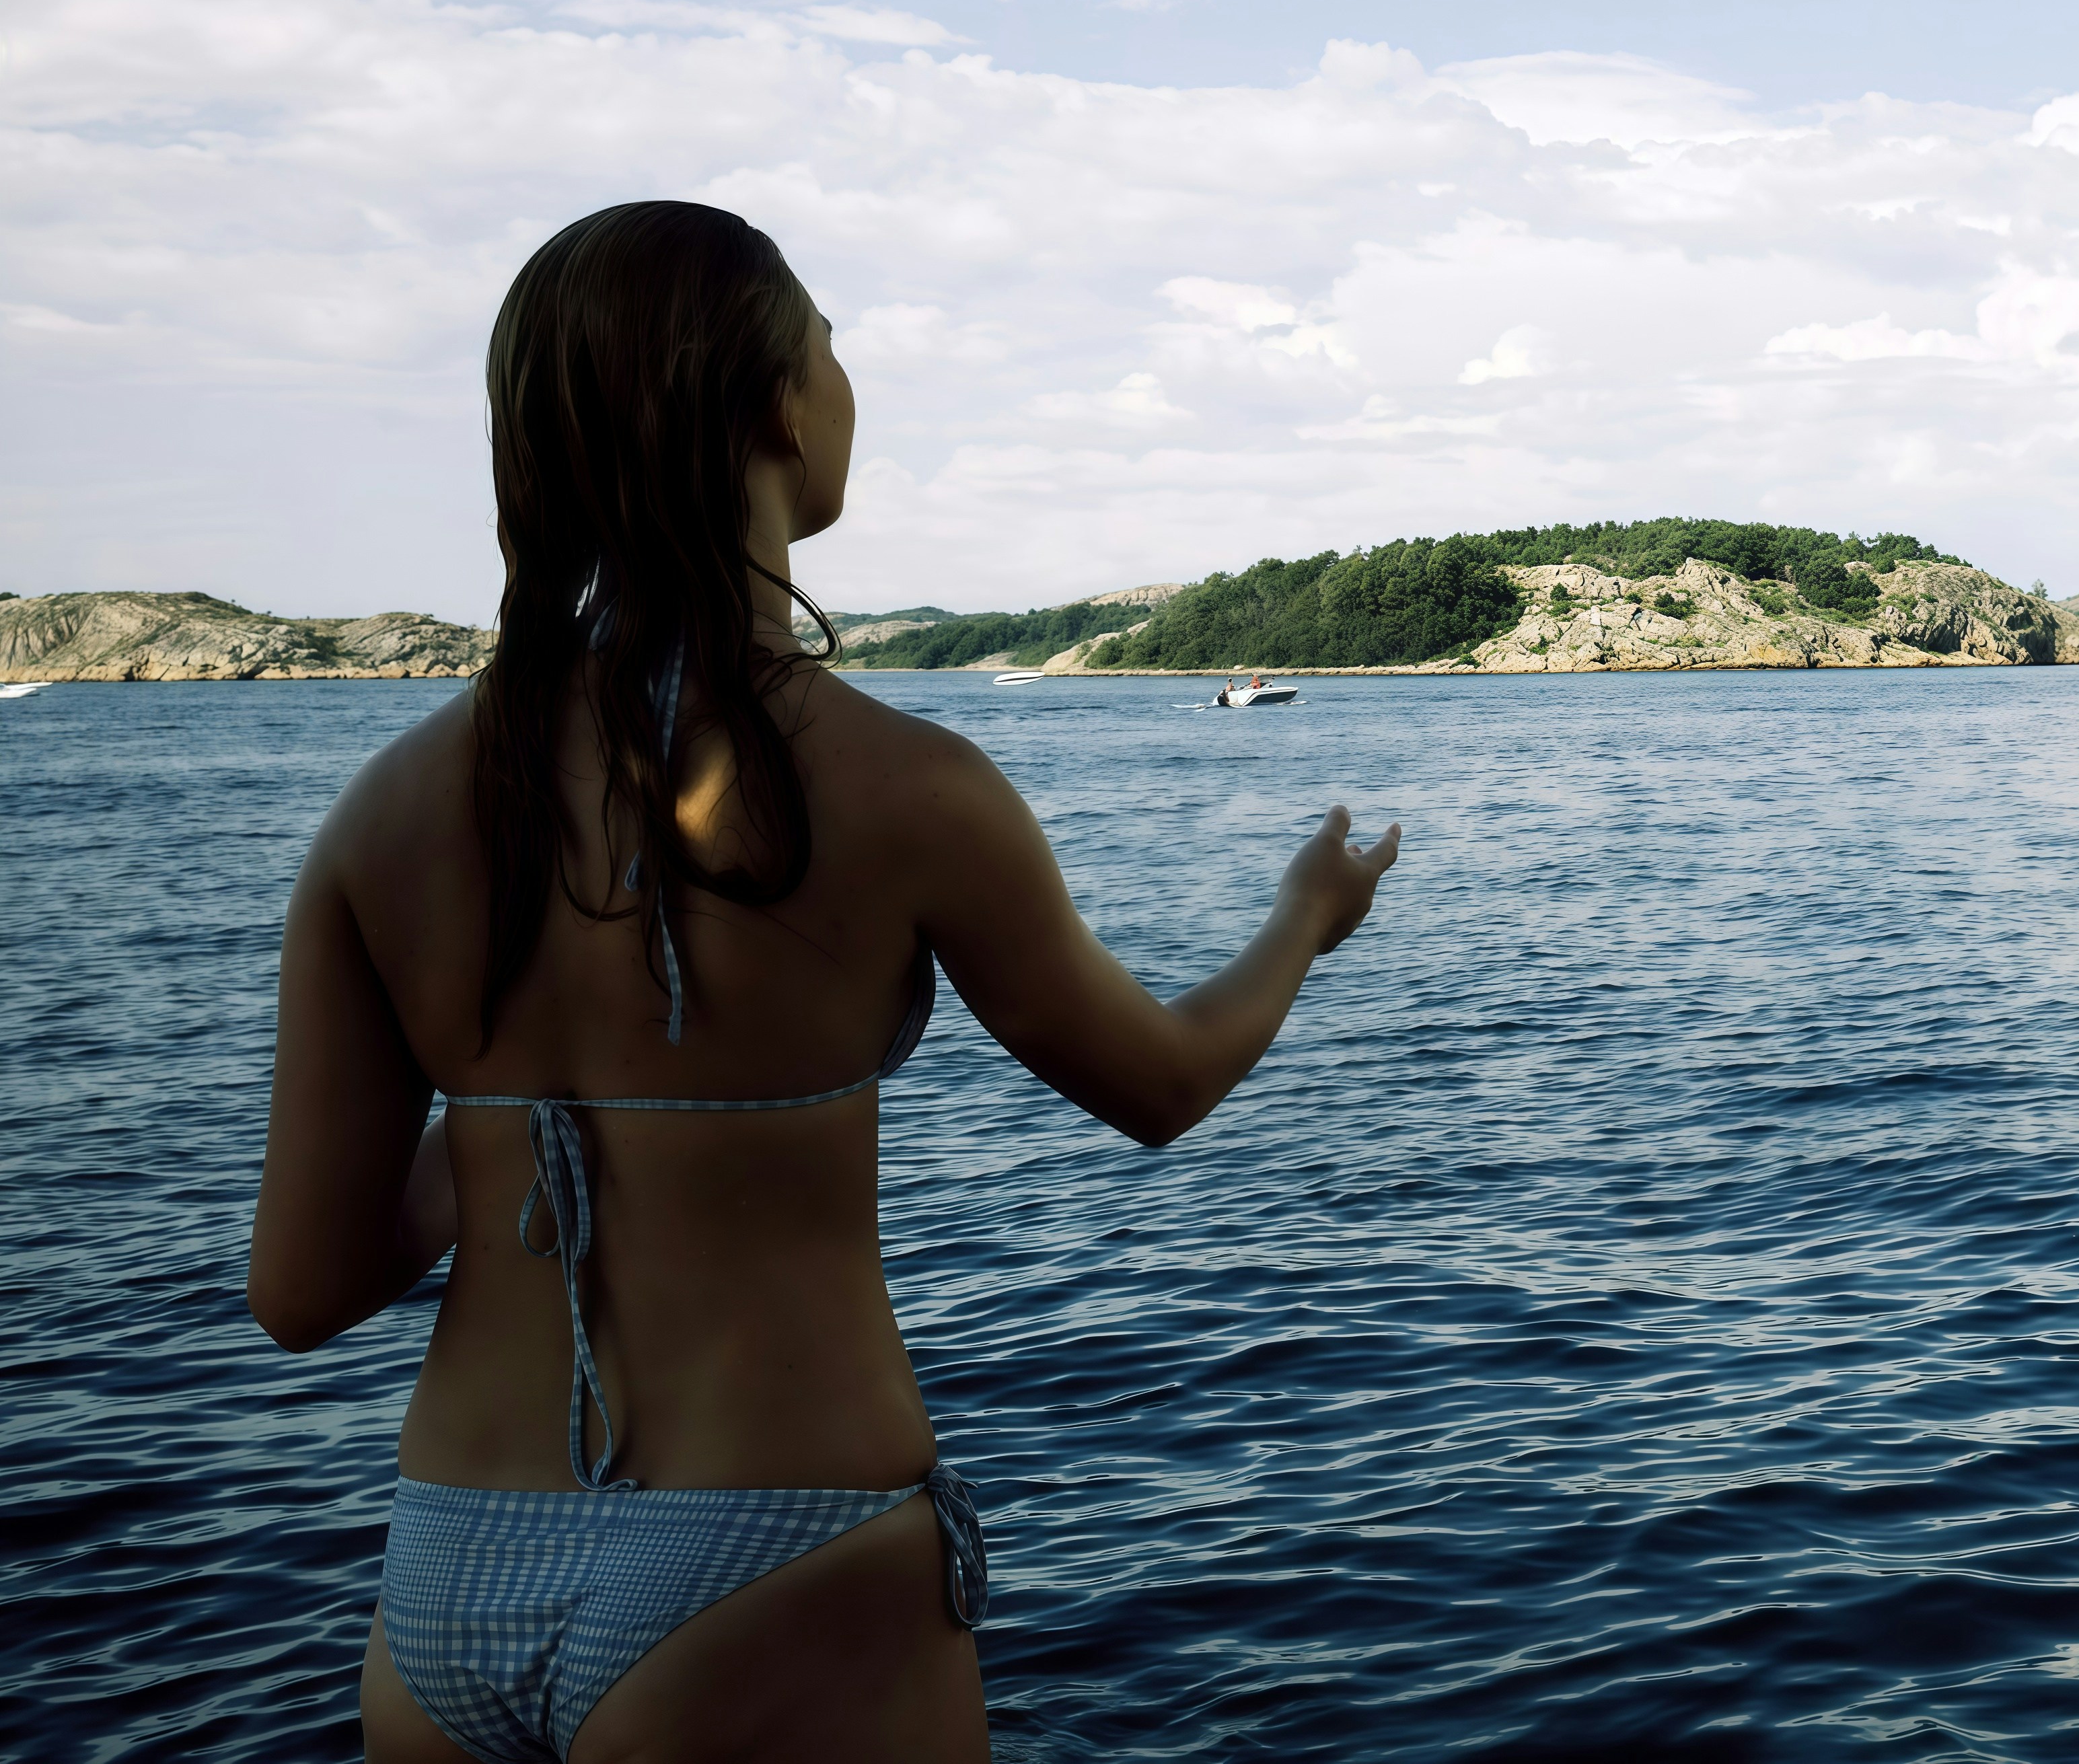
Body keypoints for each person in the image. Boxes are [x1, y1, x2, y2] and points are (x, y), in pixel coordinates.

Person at [246, 201, 1401, 1761]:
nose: (851, 382)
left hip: (450, 1576)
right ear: (782, 404)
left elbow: (301, 1290)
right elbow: (1164, 1082)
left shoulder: (385, 813)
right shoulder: (903, 783)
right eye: (836, 346)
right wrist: (1302, 918)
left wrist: (529, 1121)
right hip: (774, 1560)